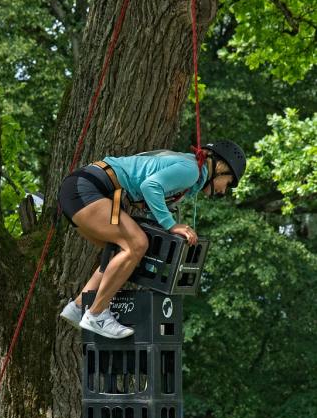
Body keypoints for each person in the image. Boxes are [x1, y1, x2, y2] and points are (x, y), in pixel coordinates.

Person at [58, 141, 246, 339]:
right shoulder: (192, 171)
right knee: (137, 244)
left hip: (83, 188)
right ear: (221, 167)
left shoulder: (187, 167)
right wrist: (171, 224)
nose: (224, 191)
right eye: (229, 182)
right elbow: (151, 186)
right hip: (87, 189)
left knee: (120, 251)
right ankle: (96, 314)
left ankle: (78, 306)